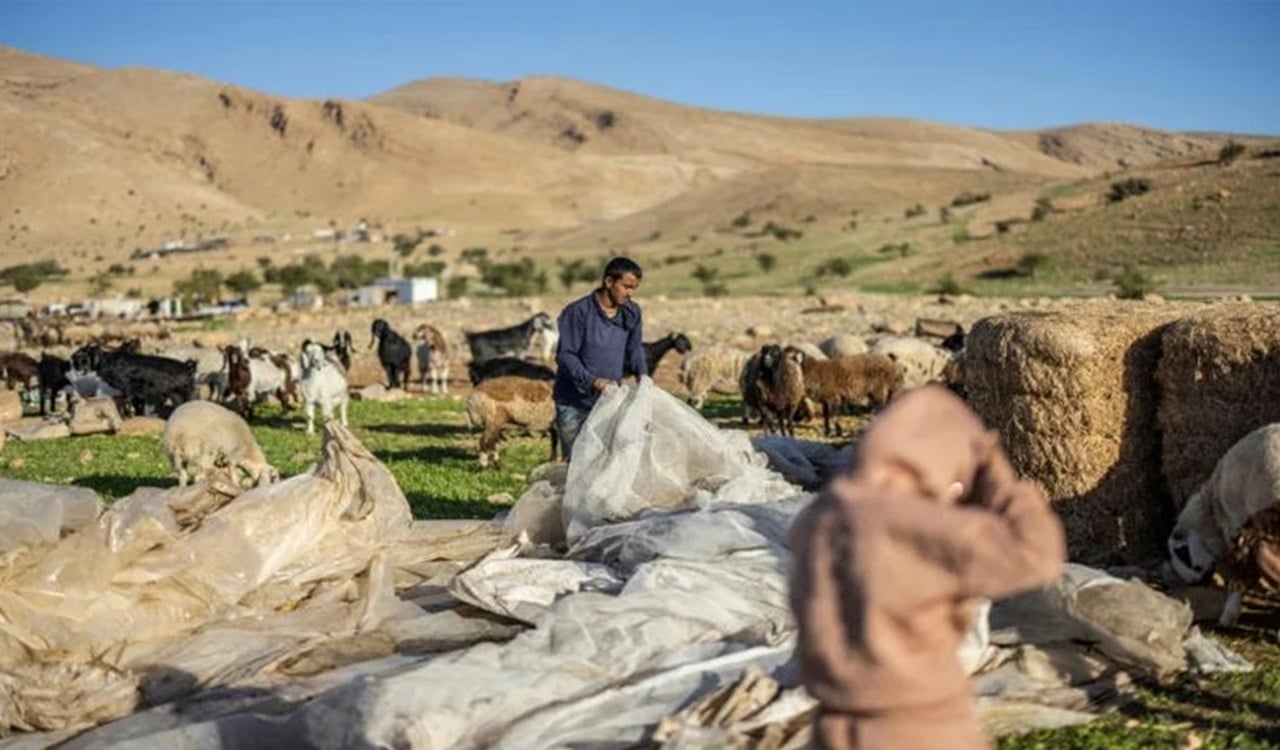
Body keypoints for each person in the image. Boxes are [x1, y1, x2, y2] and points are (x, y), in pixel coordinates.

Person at [789, 385, 1065, 750]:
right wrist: (1004, 487)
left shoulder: (819, 519)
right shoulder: (925, 528)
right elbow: (1038, 557)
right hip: (920, 727)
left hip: (834, 726)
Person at [552, 256, 647, 460]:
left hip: (610, 401)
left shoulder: (631, 312)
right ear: (609, 281)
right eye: (626, 286)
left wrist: (643, 375)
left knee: (608, 460)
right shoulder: (578, 312)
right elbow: (565, 355)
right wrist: (593, 381)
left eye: (634, 288)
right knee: (576, 462)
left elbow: (635, 348)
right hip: (574, 402)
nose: (630, 293)